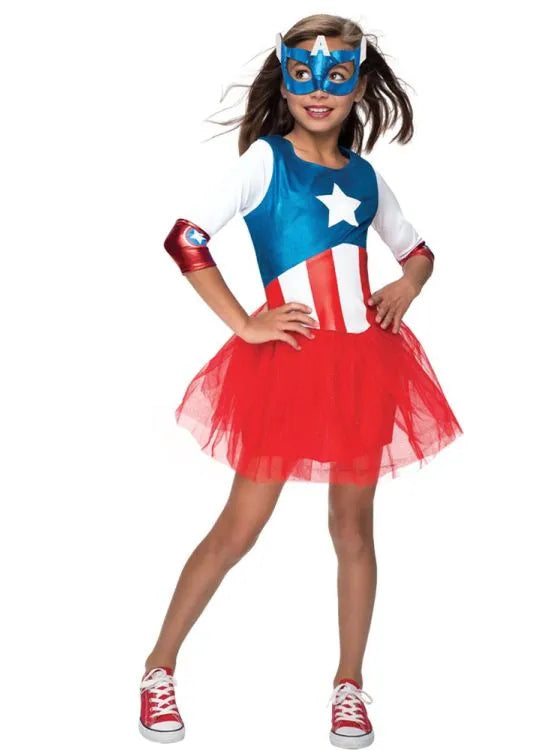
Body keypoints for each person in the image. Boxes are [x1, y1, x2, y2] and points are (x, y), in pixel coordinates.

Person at [139, 15, 463, 748]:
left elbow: (418, 251)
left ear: (358, 86)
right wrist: (244, 324)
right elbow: (186, 239)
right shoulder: (266, 161)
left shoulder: (365, 176)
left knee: (353, 528)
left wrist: (408, 284)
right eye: (304, 76)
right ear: (285, 82)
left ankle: (349, 685)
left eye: (337, 77)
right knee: (239, 528)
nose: (319, 91)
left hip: (366, 365)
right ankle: (159, 667)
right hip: (287, 367)